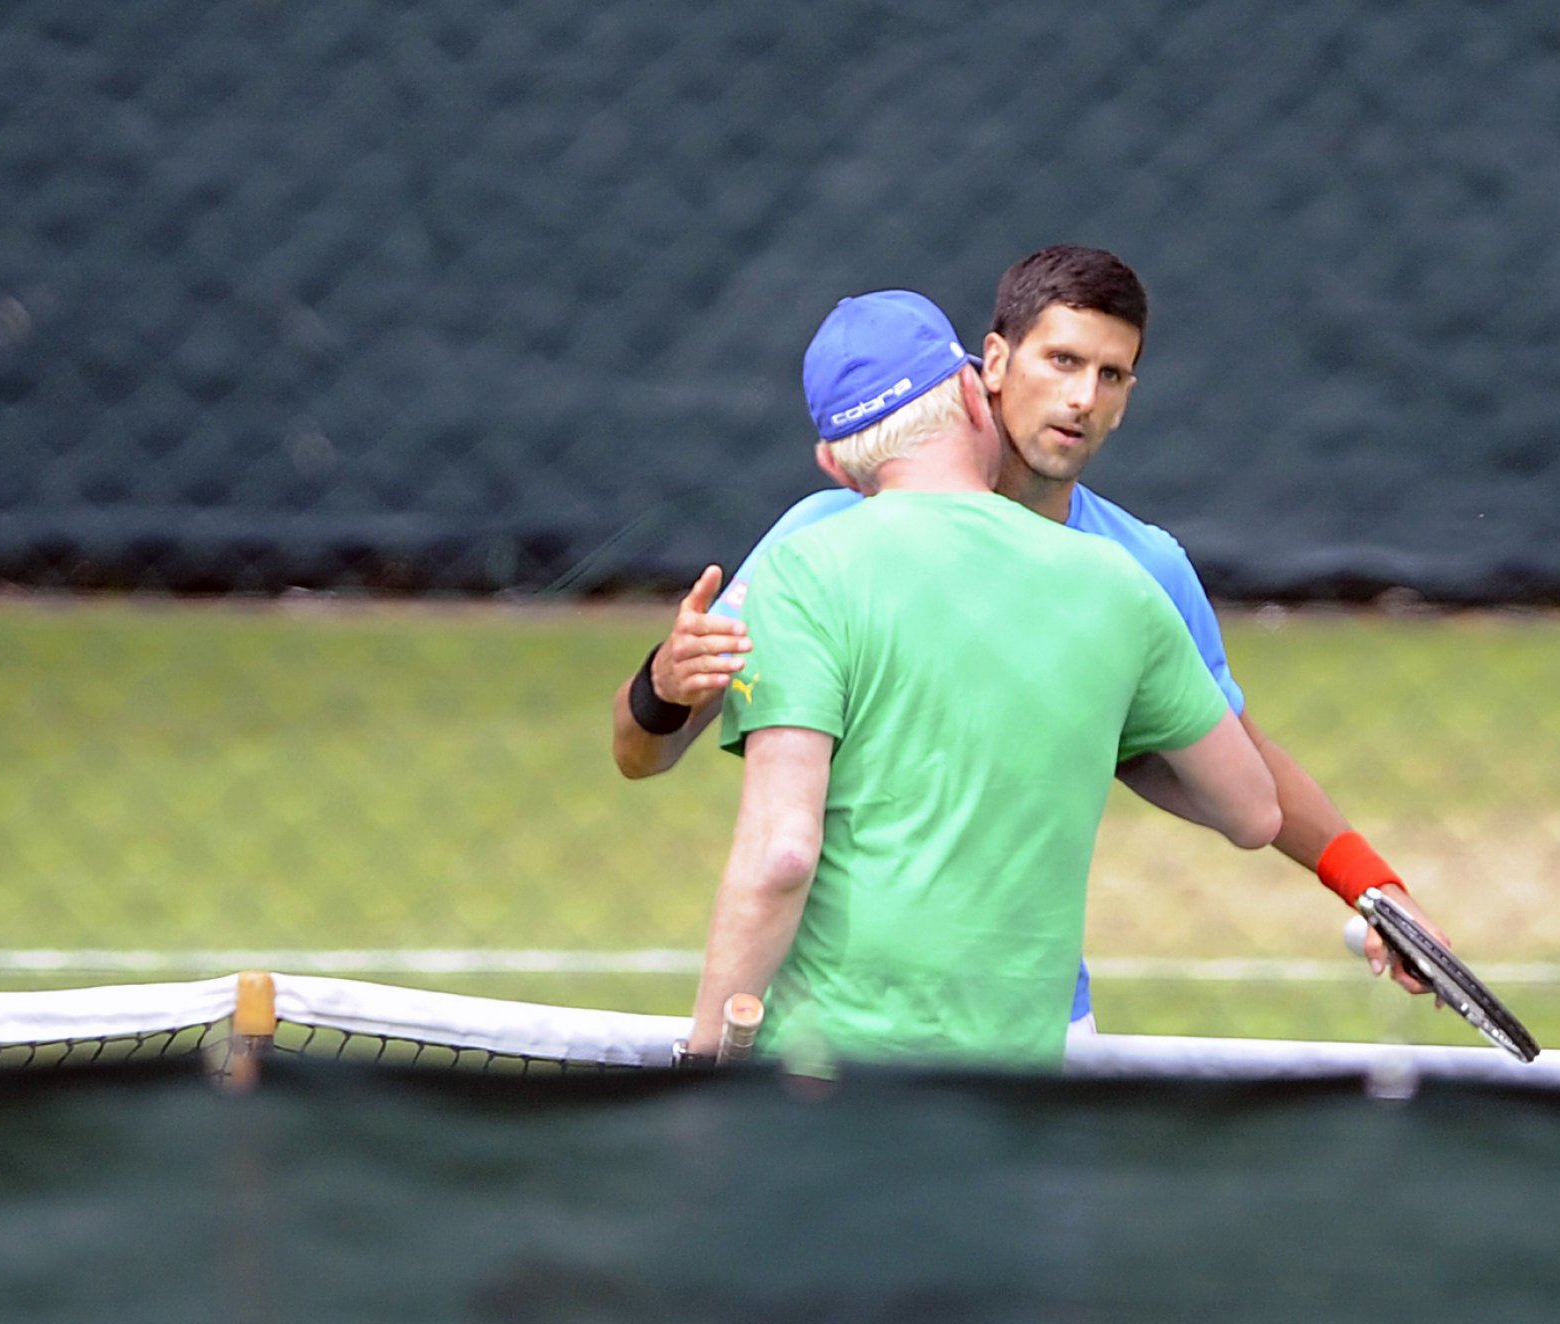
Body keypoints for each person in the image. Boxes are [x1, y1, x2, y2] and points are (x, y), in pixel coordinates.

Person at [616, 246, 1448, 1021]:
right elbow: (640, 753)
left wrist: (1373, 888)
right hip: (841, 1015)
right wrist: (662, 687)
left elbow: (1246, 771)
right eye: (1063, 361)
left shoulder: (1140, 567)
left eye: (1112, 374)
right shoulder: (824, 540)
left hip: (1042, 1026)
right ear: (993, 366)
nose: (1083, 397)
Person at [680, 290, 1279, 1065]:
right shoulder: (1121, 581)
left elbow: (781, 853)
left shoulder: (804, 568)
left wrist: (705, 1059)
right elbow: (1254, 811)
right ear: (975, 390)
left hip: (825, 1072)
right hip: (1023, 1077)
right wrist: (1093, 736)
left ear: (835, 460)